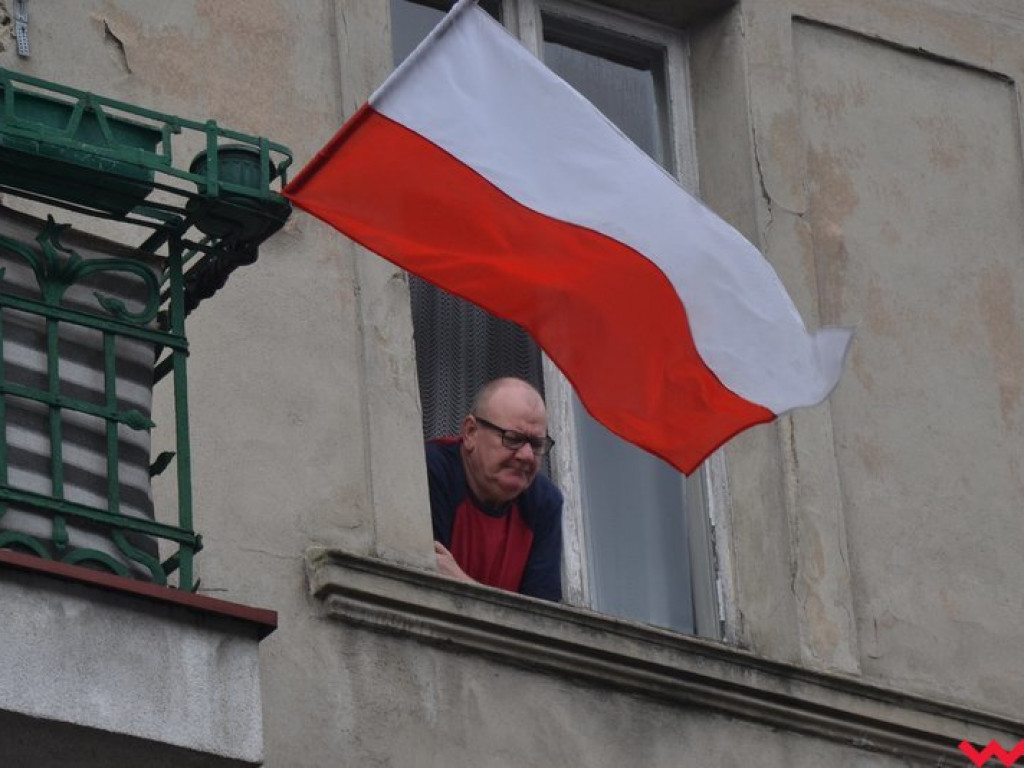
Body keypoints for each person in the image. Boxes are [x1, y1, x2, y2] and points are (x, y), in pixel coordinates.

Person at [426, 377, 563, 601]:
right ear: (470, 432)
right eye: (513, 438)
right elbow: (426, 591)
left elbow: (540, 623)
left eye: (537, 445)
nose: (527, 456)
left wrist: (463, 584)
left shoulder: (544, 503)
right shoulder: (432, 472)